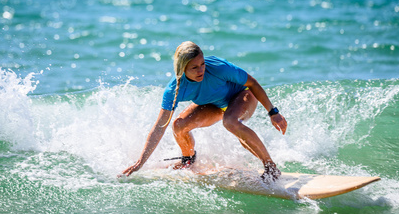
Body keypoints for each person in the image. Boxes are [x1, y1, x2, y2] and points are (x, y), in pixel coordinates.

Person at [122, 41, 287, 182]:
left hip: (244, 95)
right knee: (178, 125)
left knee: (230, 122)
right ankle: (188, 160)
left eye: (202, 64)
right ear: (182, 69)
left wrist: (273, 112)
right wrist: (140, 162)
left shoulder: (218, 68)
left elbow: (253, 83)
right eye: (194, 67)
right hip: (214, 105)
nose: (201, 70)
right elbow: (160, 126)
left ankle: (270, 167)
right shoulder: (173, 90)